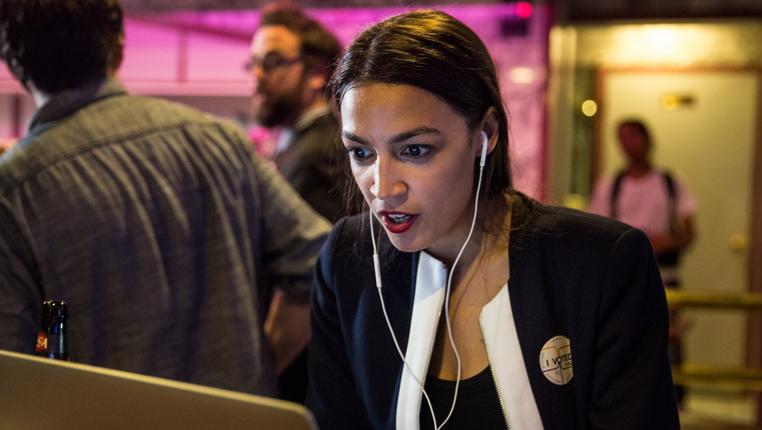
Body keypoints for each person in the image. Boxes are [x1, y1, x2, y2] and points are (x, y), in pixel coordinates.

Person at [306, 9, 680, 429]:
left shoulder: (600, 265)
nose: (383, 187)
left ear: (485, 134)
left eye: (414, 150)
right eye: (362, 153)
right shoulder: (347, 262)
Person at [0, 0, 330, 397]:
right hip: (238, 415)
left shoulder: (15, 189)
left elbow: (13, 369)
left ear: (12, 60)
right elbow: (320, 265)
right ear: (119, 42)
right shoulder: (218, 141)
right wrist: (257, 371)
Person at [247, 3, 346, 402]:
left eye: (272, 62)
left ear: (316, 73)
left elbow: (312, 276)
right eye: (254, 62)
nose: (257, 75)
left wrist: (260, 376)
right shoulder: (305, 146)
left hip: (303, 377)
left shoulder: (316, 153)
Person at [588, 118, 697, 404]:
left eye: (633, 137)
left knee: (667, 343)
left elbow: (689, 232)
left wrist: (666, 242)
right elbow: (595, 230)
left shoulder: (671, 182)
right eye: (622, 138)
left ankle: (672, 401)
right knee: (625, 342)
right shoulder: (611, 185)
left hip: (666, 275)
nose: (628, 144)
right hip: (622, 278)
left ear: (647, 139)